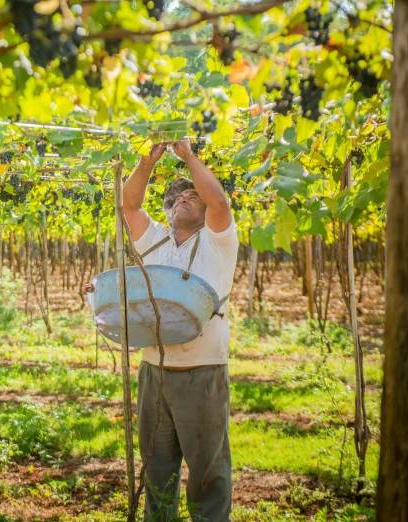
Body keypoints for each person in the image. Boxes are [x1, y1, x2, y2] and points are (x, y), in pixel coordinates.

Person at [122, 138, 239, 522]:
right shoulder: (154, 241)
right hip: (153, 370)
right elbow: (130, 205)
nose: (184, 199)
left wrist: (188, 157)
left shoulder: (218, 242)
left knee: (207, 473)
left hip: (201, 373)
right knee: (157, 469)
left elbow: (220, 203)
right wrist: (147, 160)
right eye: (177, 198)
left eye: (193, 195)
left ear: (206, 211)